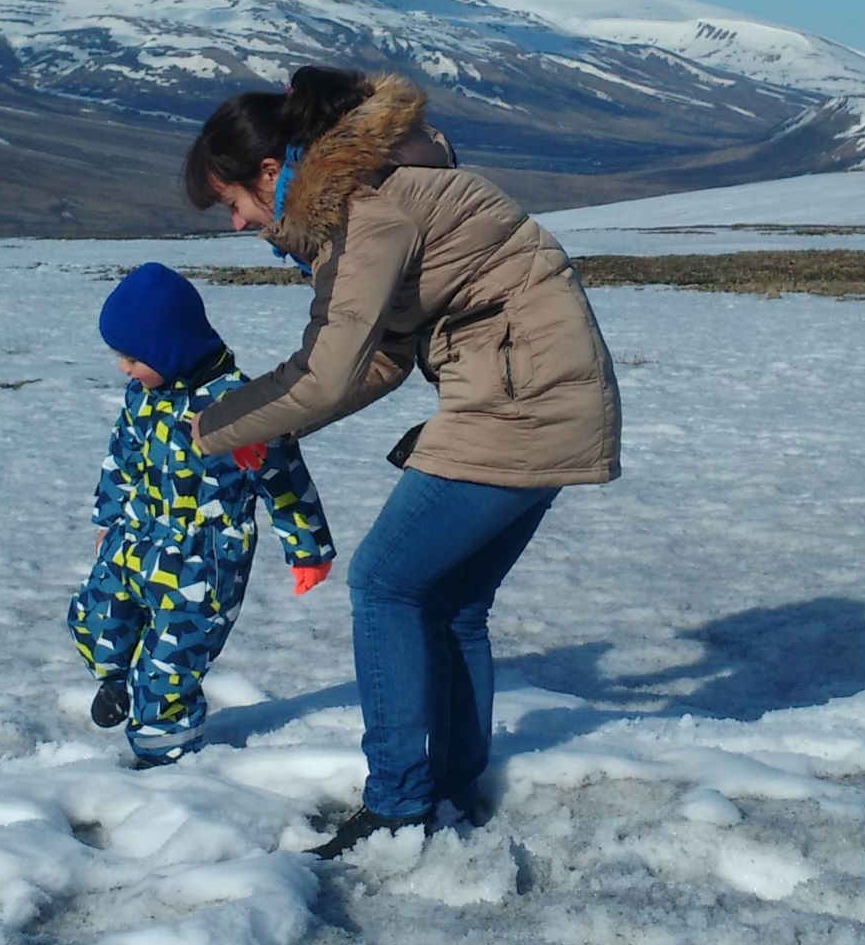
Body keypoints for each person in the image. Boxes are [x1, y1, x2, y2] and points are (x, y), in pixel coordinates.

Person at [184, 68, 622, 856]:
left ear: (268, 171)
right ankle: (451, 791)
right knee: (450, 603)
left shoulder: (371, 206)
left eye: (234, 204)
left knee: (385, 581)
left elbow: (325, 368)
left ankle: (395, 808)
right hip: (544, 396)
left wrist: (211, 428)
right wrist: (270, 427)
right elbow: (377, 361)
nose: (240, 225)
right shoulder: (382, 193)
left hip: (519, 402)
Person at [72, 262, 335, 767]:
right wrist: (110, 516)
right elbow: (122, 455)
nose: (123, 368)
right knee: (96, 616)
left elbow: (283, 478)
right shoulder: (145, 395)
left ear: (169, 347)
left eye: (132, 357)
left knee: (170, 668)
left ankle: (161, 758)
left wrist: (307, 550)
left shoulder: (238, 405)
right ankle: (114, 682)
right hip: (137, 536)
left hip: (203, 558)